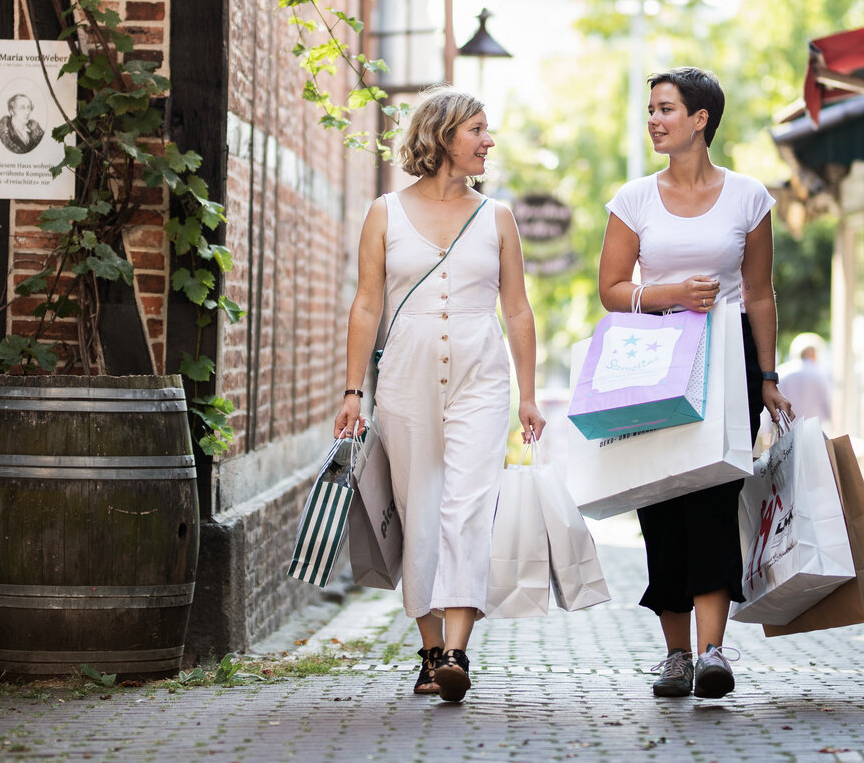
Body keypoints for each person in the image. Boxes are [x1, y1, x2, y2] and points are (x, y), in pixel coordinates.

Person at [334, 86, 544, 704]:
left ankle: (456, 651)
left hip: (482, 377)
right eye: (478, 129)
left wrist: (527, 395)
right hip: (404, 377)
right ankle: (429, 653)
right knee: (419, 508)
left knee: (468, 508)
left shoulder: (498, 217)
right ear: (443, 135)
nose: (489, 141)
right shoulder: (385, 212)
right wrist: (353, 391)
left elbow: (519, 311)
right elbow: (366, 304)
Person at [596, 66, 795, 700]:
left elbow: (760, 295)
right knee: (661, 502)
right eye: (651, 110)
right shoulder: (633, 199)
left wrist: (768, 376)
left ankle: (714, 651)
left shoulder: (748, 197)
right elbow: (611, 289)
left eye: (665, 109)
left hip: (728, 360)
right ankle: (675, 656)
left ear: (700, 120)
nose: (653, 120)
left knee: (713, 496)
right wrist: (668, 294)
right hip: (652, 358)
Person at [778, 332, 832, 429]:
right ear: (815, 354)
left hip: (786, 429)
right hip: (812, 431)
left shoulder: (782, 373)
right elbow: (828, 405)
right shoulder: (821, 375)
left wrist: (768, 430)